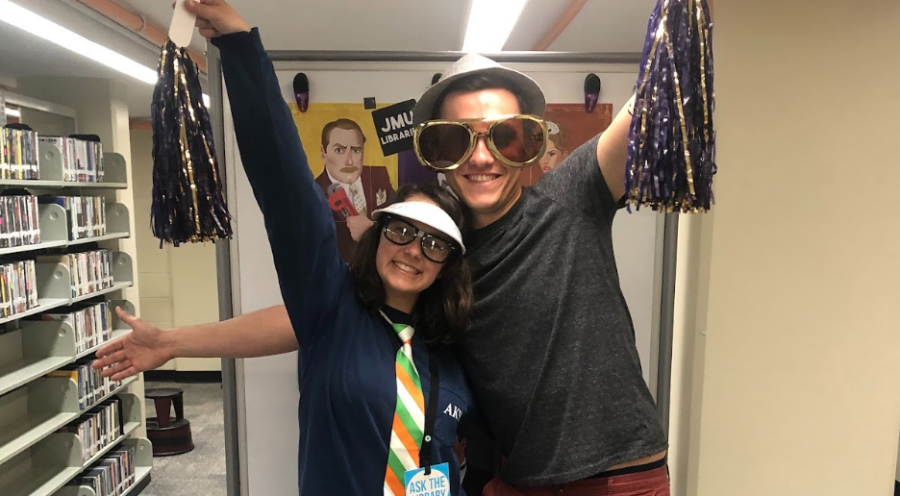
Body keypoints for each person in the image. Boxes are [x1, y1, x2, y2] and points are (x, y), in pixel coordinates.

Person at [103, 1, 671, 495]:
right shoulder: (399, 291)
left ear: (528, 143)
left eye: (504, 135)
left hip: (610, 478)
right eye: (401, 232)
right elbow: (296, 246)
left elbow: (658, 101)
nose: (481, 156)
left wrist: (685, 20)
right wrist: (175, 341)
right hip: (513, 485)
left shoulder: (566, 200)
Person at [93, 3, 474, 494]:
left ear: (447, 264)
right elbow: (289, 191)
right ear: (379, 235)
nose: (413, 250)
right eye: (402, 230)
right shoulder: (332, 309)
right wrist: (239, 47)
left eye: (435, 243)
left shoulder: (452, 346)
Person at [315, 118, 396, 261]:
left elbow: (397, 223)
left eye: (356, 150)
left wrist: (371, 233)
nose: (350, 161)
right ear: (323, 153)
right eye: (339, 150)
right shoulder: (313, 193)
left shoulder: (379, 175)